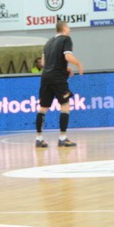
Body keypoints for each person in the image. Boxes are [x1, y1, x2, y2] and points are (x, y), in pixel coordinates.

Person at [35, 20, 83, 148]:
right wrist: (78, 64)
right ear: (64, 28)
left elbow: (44, 63)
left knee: (43, 108)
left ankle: (39, 139)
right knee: (65, 104)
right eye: (69, 27)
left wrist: (64, 68)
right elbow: (67, 57)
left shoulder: (48, 42)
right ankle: (62, 138)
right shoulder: (66, 39)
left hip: (45, 77)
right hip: (57, 77)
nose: (70, 30)